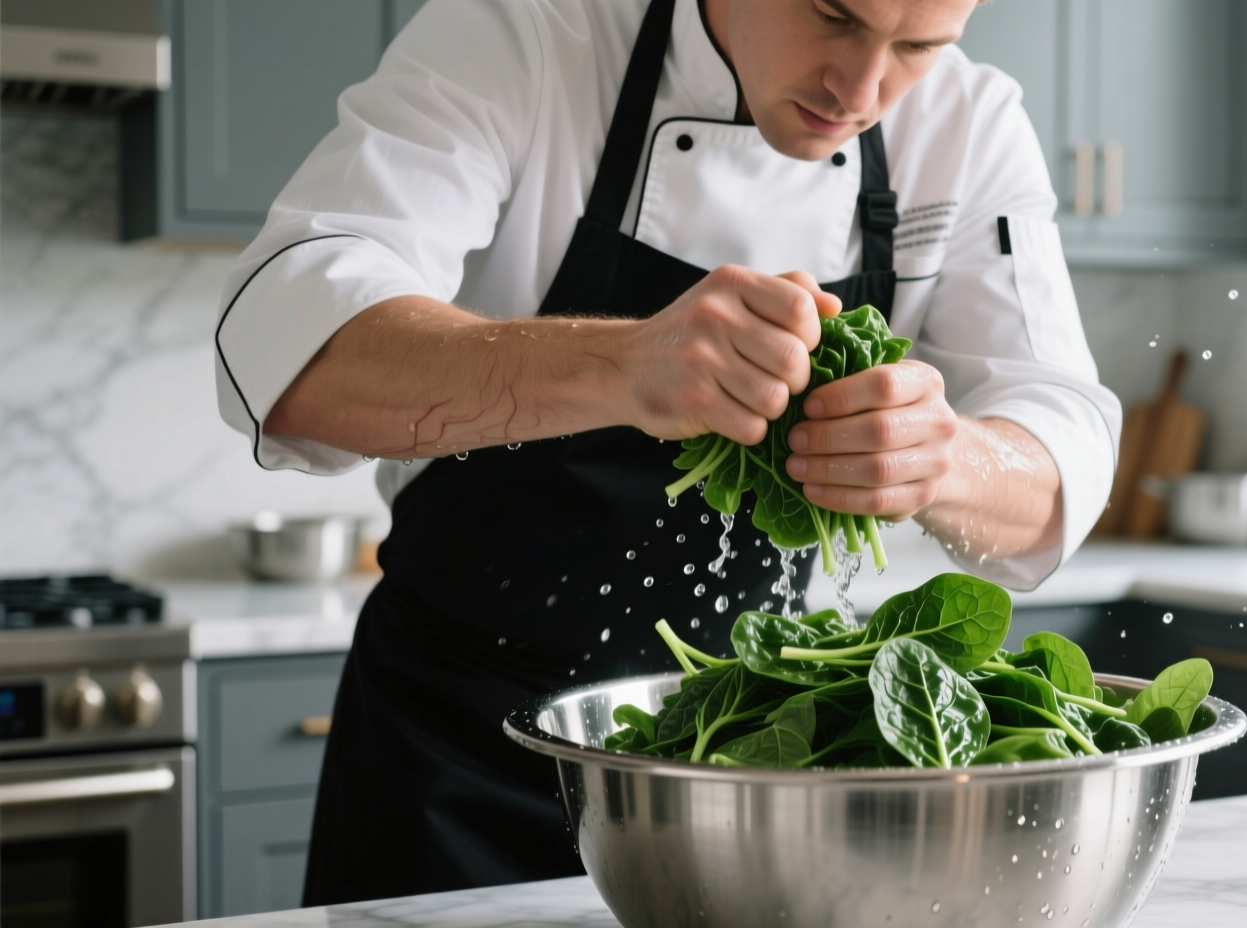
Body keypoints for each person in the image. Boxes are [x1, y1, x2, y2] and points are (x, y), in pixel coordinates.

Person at [214, 0, 1120, 906]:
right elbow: (294, 347)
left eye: (919, 45)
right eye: (833, 16)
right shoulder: (525, 33)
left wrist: (944, 460)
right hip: (450, 757)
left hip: (739, 770)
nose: (862, 88)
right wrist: (619, 364)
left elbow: (1061, 458)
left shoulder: (968, 124)